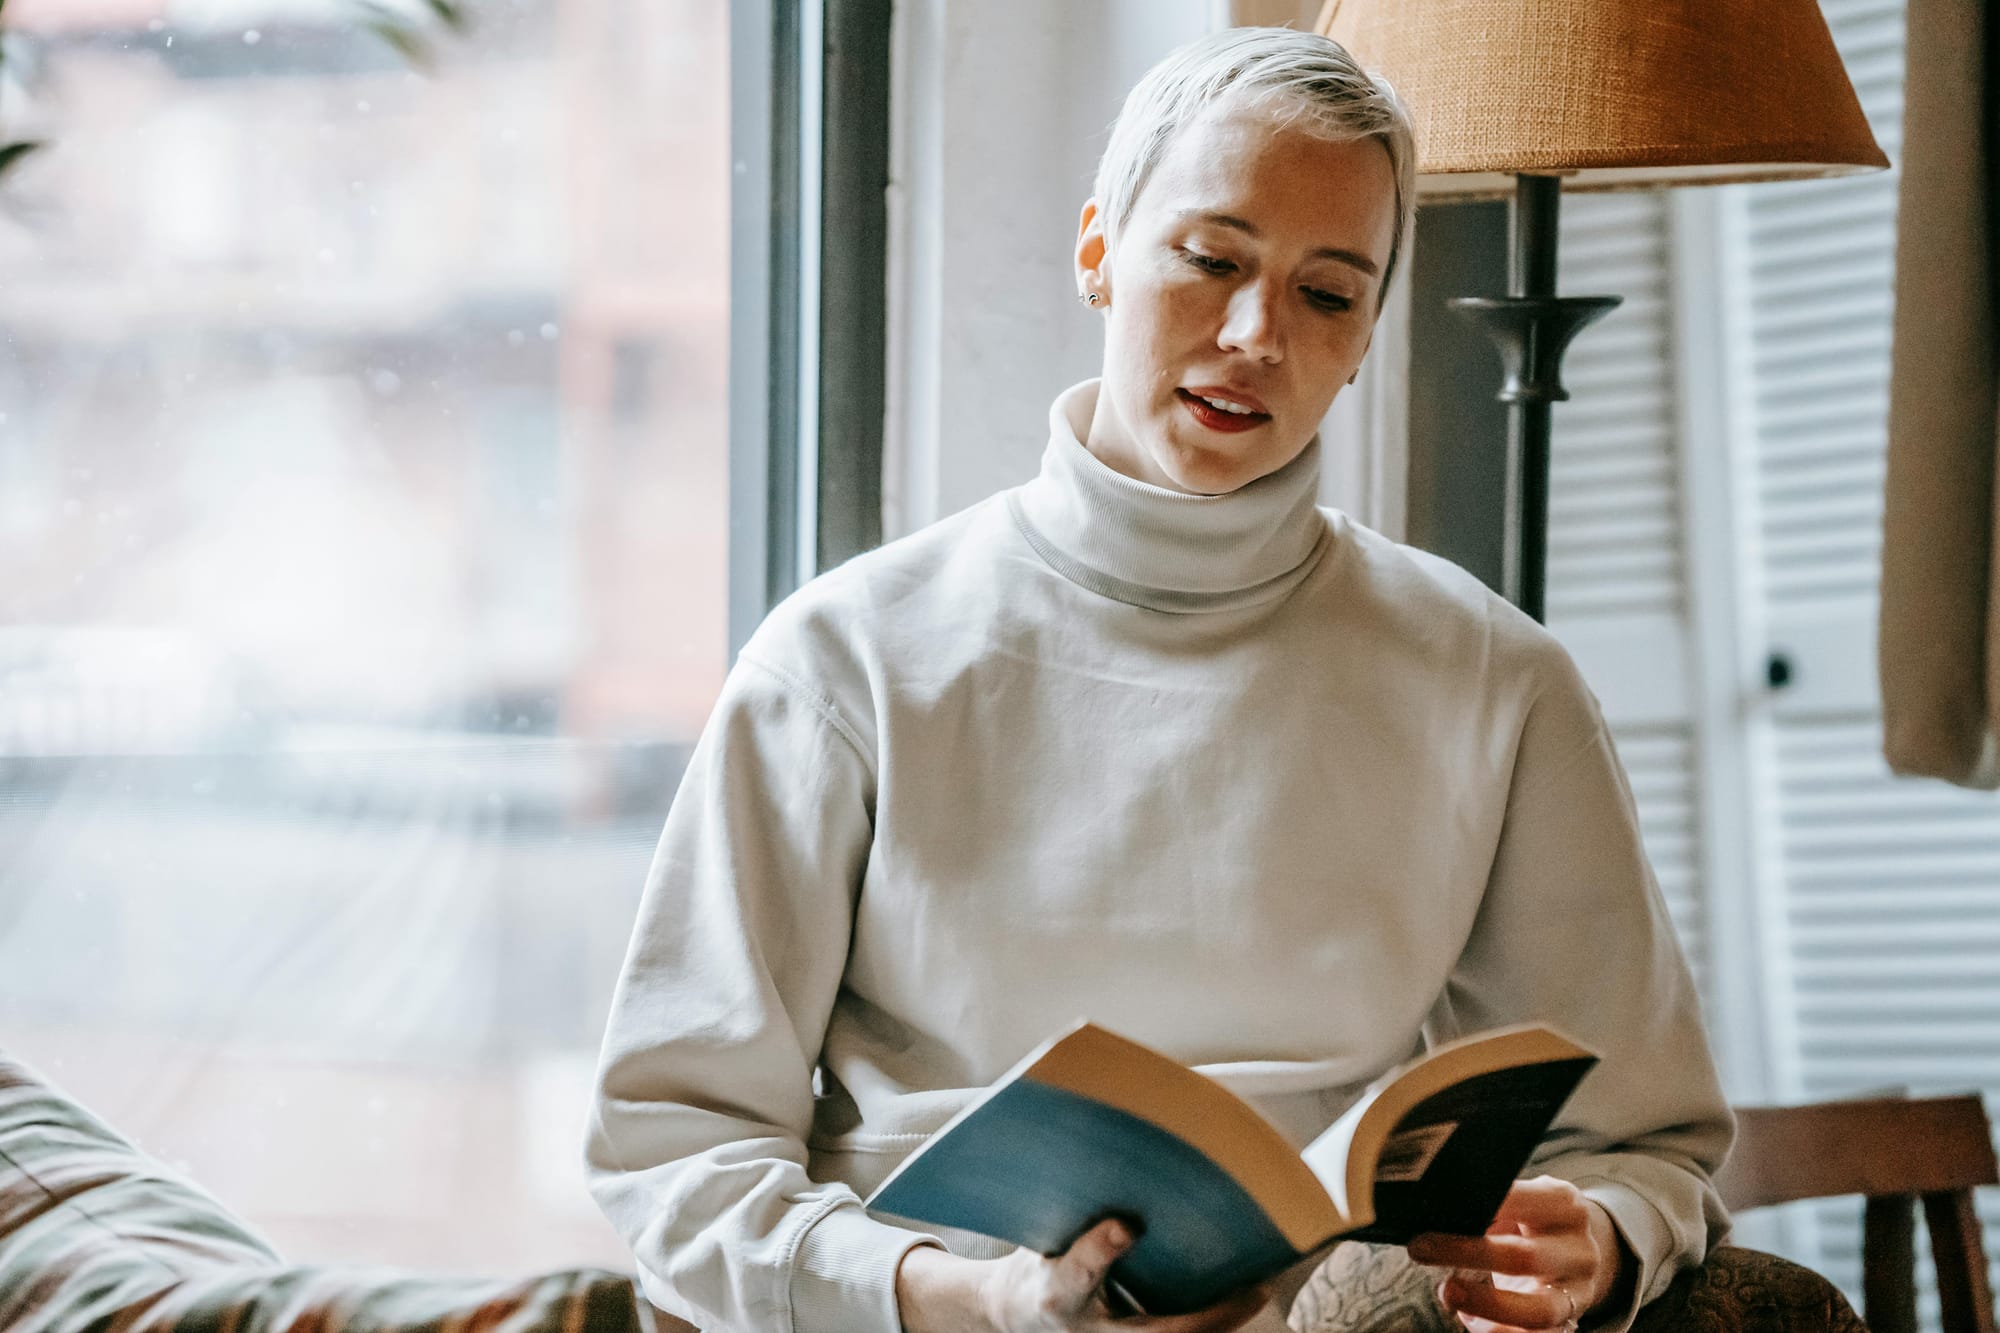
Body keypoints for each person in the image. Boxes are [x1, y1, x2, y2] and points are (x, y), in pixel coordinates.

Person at [585, 25, 1731, 1333]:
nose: (1256, 333)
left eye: (1328, 291)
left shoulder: (1496, 679)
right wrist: (976, 1301)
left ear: (1366, 338)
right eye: (1213, 259)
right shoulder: (844, 659)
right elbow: (668, 1151)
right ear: (1098, 254)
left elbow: (1644, 1140)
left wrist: (1599, 1239)